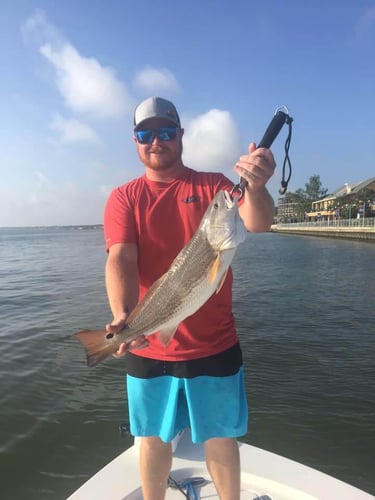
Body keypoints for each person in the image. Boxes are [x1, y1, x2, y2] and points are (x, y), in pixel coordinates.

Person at [104, 96, 275, 500]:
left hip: (215, 343)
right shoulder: (124, 197)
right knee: (151, 440)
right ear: (135, 141)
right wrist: (123, 316)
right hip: (149, 345)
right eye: (146, 133)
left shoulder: (215, 186)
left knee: (221, 438)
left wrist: (258, 187)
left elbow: (259, 222)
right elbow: (121, 258)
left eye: (166, 132)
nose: (156, 141)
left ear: (180, 137)